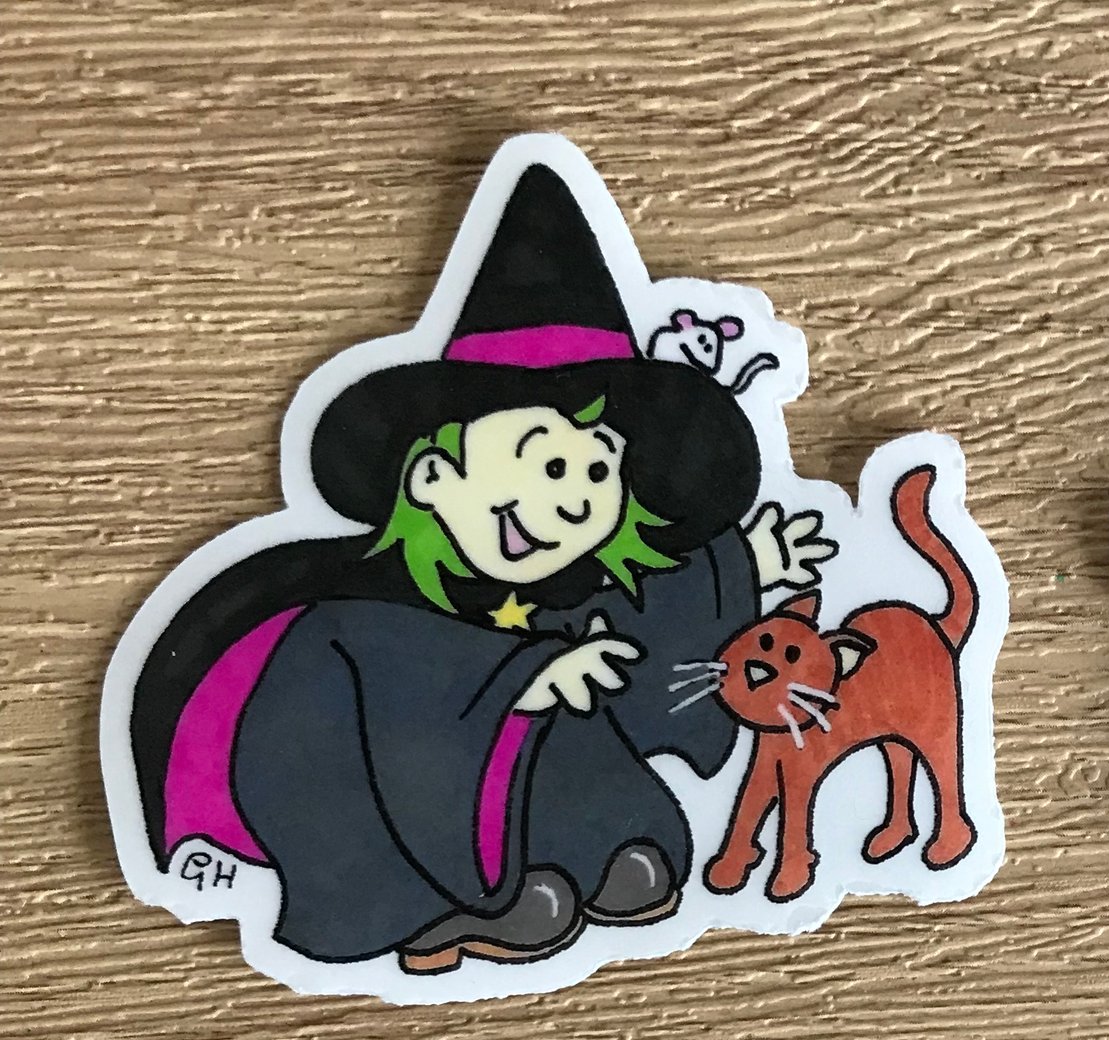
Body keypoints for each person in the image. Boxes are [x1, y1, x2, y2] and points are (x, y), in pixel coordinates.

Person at [129, 161, 833, 973]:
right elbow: (380, 692)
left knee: (573, 680)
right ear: (432, 476)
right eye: (544, 463)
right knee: (515, 682)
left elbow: (647, 621)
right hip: (374, 797)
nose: (570, 504)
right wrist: (516, 681)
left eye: (596, 473)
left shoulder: (563, 586)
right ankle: (442, 902)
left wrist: (744, 564)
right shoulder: (347, 612)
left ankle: (600, 845)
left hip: (522, 764)